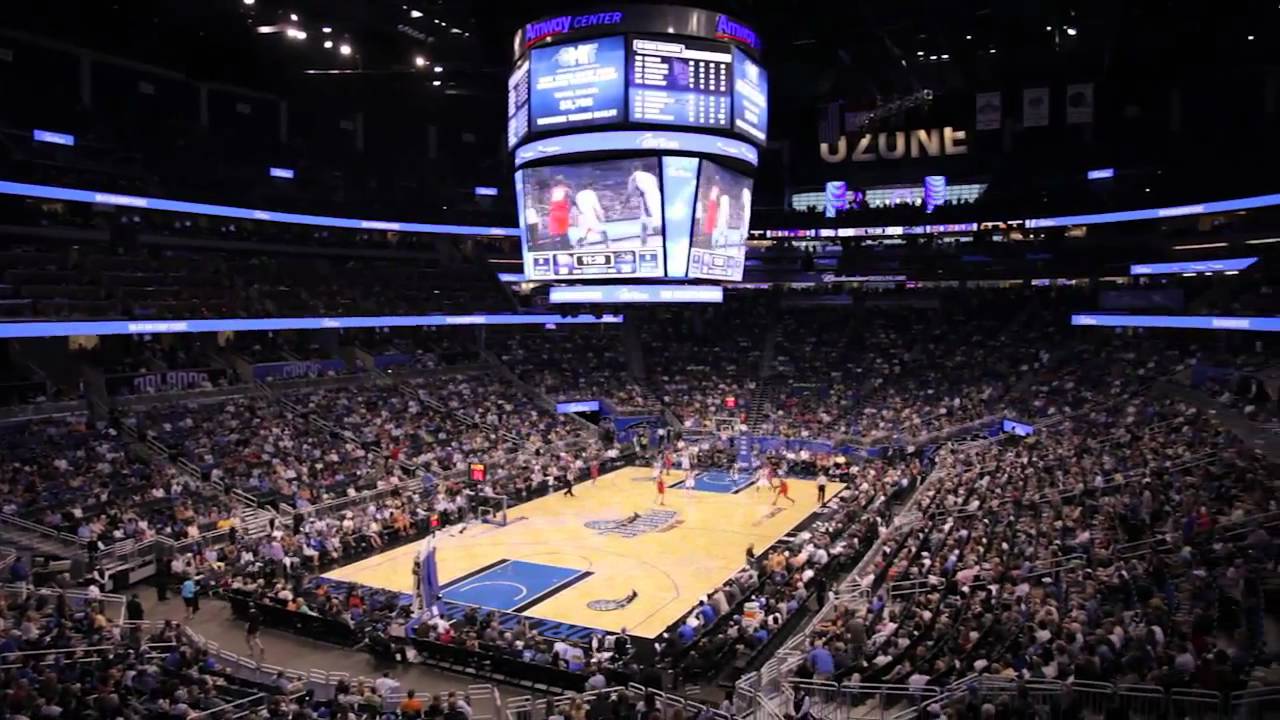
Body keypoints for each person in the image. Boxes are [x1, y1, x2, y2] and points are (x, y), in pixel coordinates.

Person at [628, 163, 663, 243]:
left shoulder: (634, 176)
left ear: (632, 169)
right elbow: (657, 186)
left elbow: (630, 191)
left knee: (655, 227)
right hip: (657, 196)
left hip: (648, 198)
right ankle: (643, 244)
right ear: (641, 168)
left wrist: (625, 203)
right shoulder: (651, 176)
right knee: (645, 222)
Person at [547, 177, 573, 248]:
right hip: (563, 212)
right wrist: (569, 211)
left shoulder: (552, 190)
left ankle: (553, 249)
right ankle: (565, 248)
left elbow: (549, 201)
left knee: (553, 233)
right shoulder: (567, 190)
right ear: (563, 182)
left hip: (553, 213)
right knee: (564, 233)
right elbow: (570, 201)